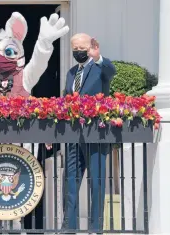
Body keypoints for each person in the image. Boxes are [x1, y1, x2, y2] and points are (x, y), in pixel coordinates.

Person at [0, 8, 69, 231]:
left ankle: (15, 223)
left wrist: (44, 43)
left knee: (20, 179)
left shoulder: (25, 78)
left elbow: (38, 63)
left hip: (21, 143)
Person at [47, 33, 116, 233]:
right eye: (75, 49)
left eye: (82, 49)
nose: (78, 52)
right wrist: (54, 133)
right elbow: (63, 103)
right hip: (72, 135)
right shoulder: (70, 73)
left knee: (96, 181)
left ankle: (96, 228)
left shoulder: (100, 69)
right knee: (69, 180)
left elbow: (111, 72)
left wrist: (98, 58)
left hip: (95, 134)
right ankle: (69, 227)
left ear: (91, 47)